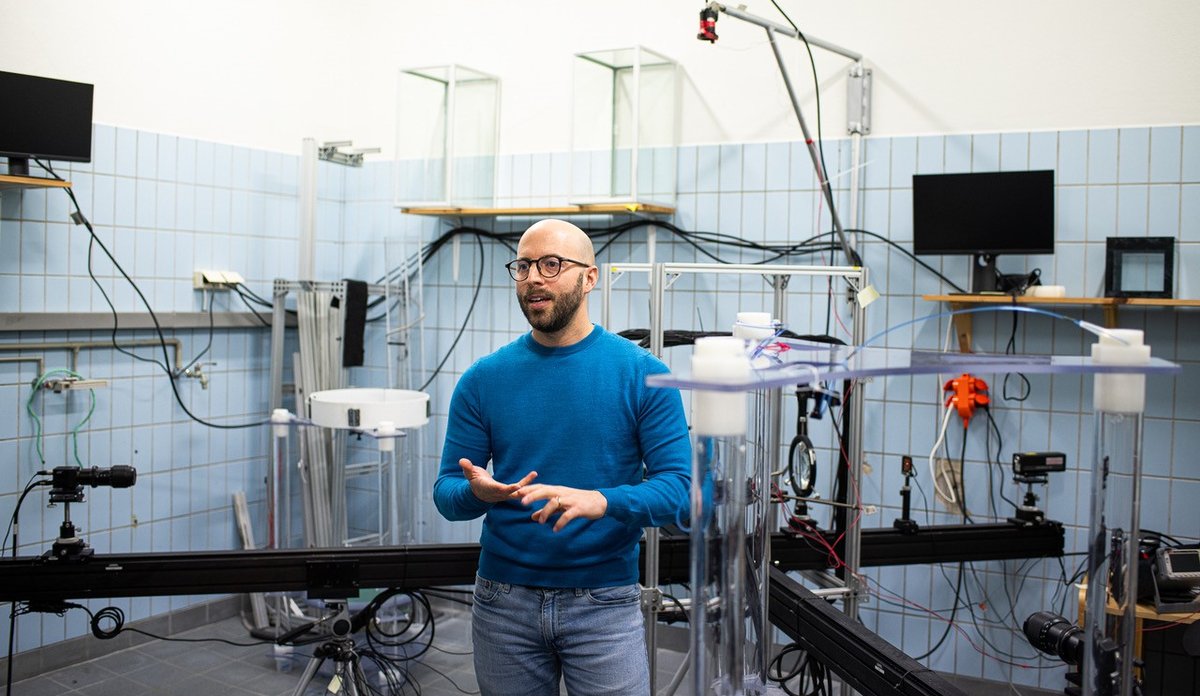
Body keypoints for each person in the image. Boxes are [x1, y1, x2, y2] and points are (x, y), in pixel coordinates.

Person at [433, 219, 691, 696]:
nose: (533, 277)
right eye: (523, 266)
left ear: (589, 278)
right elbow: (446, 493)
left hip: (604, 603)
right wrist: (476, 491)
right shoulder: (484, 378)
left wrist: (601, 500)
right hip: (502, 602)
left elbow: (678, 491)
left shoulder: (644, 376)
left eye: (551, 265)